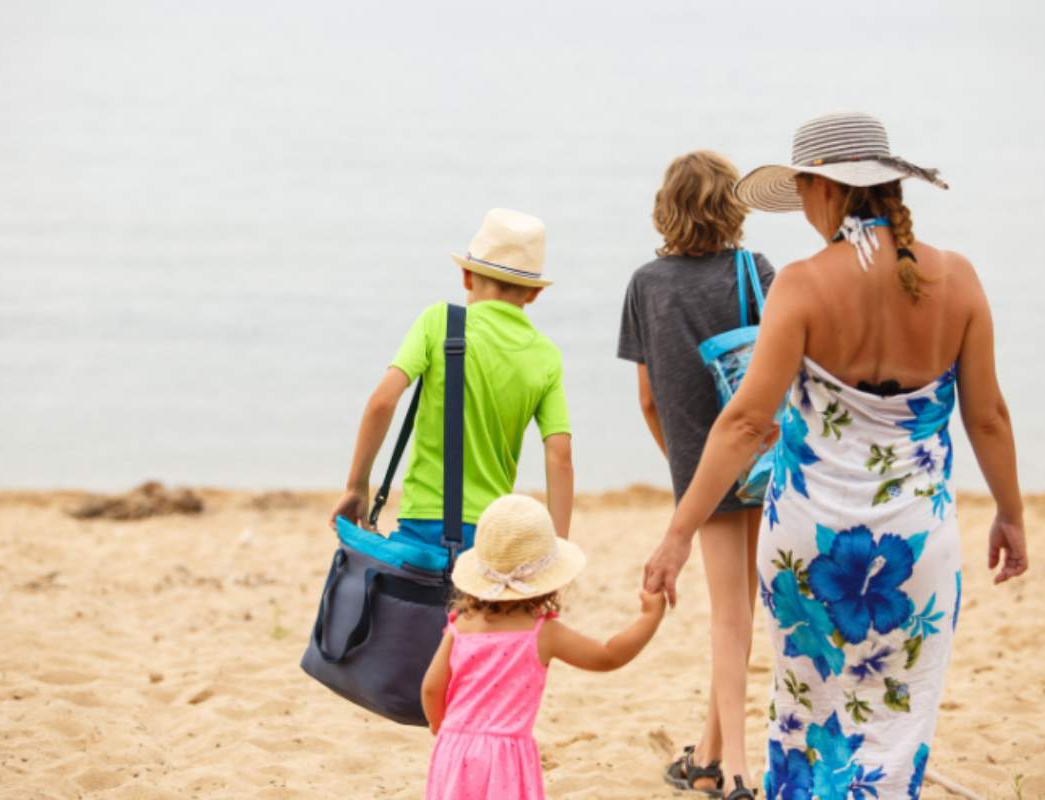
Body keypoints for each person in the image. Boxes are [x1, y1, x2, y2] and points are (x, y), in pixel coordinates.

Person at [643, 112, 1028, 799]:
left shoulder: (801, 284)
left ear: (825, 189)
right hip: (916, 549)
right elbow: (989, 418)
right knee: (894, 729)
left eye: (802, 190)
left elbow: (743, 425)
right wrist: (1011, 514)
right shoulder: (958, 279)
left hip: (808, 551)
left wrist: (677, 536)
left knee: (807, 725)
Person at [618, 150, 776, 797]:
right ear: (731, 205)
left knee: (728, 616)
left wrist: (686, 468)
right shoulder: (754, 269)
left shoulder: (645, 285)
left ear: (668, 208)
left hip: (698, 466)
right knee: (740, 612)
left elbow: (649, 399)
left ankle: (731, 768)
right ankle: (710, 754)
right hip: (764, 456)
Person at [328, 208, 575, 550]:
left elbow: (383, 401)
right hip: (491, 532)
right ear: (533, 293)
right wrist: (559, 546)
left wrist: (357, 487)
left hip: (423, 521)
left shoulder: (438, 321)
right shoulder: (546, 355)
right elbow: (559, 455)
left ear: (467, 277)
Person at [422, 494, 666, 799]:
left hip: (453, 748)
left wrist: (439, 723)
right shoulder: (542, 633)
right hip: (504, 758)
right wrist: (649, 617)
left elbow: (431, 688)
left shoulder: (460, 625)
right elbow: (608, 656)